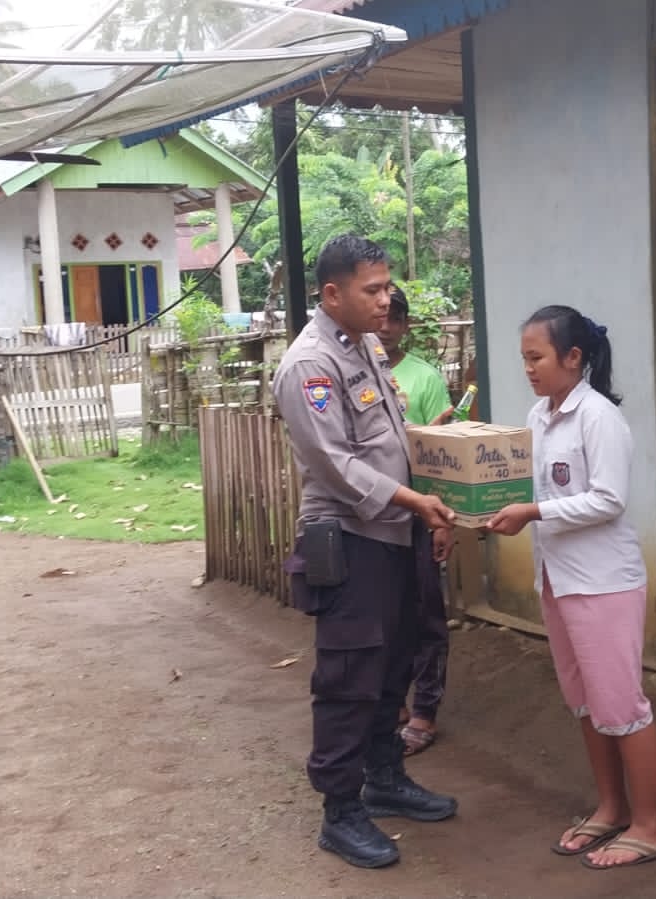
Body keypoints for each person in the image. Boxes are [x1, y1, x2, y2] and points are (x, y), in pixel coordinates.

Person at [272, 235, 459, 870]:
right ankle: (341, 810)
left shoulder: (367, 346)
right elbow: (335, 465)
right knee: (350, 676)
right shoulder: (310, 365)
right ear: (332, 294)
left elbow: (392, 436)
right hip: (349, 538)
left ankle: (384, 776)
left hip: (398, 532)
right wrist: (414, 502)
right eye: (372, 290)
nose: (386, 300)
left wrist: (429, 505)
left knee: (396, 661)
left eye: (387, 287)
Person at [485, 306, 656, 870]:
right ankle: (612, 807)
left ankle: (653, 826)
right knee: (587, 702)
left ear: (573, 357)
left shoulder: (598, 417)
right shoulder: (540, 416)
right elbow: (538, 489)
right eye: (524, 358)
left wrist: (533, 512)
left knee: (621, 704)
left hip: (603, 584)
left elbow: (608, 500)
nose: (528, 369)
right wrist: (494, 503)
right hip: (559, 578)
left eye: (536, 357)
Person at [376, 284, 453, 755]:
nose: (386, 327)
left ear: (405, 325)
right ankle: (394, 703)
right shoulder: (356, 371)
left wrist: (442, 522)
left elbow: (444, 457)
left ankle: (425, 709)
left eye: (395, 318)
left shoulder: (424, 378)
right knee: (384, 615)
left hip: (421, 514)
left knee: (426, 616)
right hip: (374, 516)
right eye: (380, 316)